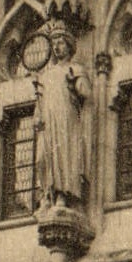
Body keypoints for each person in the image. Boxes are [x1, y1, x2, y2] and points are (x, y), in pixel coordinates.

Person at [34, 25, 91, 209]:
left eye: (60, 43)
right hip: (48, 119)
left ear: (68, 46)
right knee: (42, 157)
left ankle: (63, 195)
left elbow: (86, 93)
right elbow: (39, 101)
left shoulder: (75, 68)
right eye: (54, 44)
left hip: (66, 117)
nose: (57, 47)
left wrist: (77, 80)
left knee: (64, 155)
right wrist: (37, 116)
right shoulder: (45, 74)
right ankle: (47, 194)